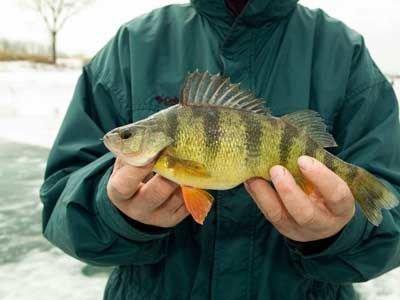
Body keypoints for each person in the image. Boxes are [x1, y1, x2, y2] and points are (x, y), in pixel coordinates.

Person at [39, 0, 400, 299]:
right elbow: (59, 200)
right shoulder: (131, 46)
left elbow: (392, 220)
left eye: (128, 137)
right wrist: (112, 209)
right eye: (128, 136)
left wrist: (341, 232)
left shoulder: (345, 54)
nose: (119, 141)